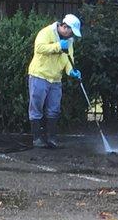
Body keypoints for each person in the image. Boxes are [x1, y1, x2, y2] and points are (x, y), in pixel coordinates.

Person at [28, 14, 82, 148]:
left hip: (56, 79)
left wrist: (71, 71)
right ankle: (37, 138)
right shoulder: (46, 32)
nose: (72, 35)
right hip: (39, 75)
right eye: (71, 32)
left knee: (54, 109)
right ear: (64, 27)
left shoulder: (69, 41)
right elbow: (40, 48)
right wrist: (57, 46)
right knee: (36, 107)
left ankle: (51, 138)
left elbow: (69, 59)